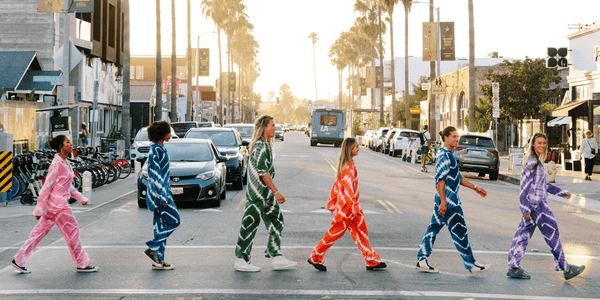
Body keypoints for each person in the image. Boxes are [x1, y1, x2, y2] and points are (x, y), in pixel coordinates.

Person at [11, 135, 98, 274]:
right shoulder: (57, 164)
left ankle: (18, 260)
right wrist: (39, 209)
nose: (71, 144)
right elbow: (47, 186)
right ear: (60, 146)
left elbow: (67, 186)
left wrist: (81, 198)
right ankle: (82, 264)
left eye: (70, 141)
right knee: (73, 231)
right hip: (59, 206)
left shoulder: (65, 162)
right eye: (67, 142)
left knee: (38, 233)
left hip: (53, 207)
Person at [507, 132, 585, 280]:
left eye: (544, 143)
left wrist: (562, 192)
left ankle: (513, 267)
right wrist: (525, 209)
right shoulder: (532, 162)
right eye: (539, 143)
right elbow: (523, 187)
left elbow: (544, 185)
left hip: (534, 206)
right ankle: (566, 269)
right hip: (538, 207)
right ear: (533, 145)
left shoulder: (537, 162)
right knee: (552, 234)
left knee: (522, 235)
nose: (542, 145)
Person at [416, 126, 491, 274]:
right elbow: (440, 180)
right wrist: (444, 201)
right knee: (460, 231)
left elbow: (458, 178)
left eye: (457, 136)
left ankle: (422, 259)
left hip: (445, 200)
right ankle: (471, 264)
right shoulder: (444, 155)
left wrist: (475, 187)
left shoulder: (448, 155)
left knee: (435, 228)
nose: (457, 139)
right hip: (449, 202)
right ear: (445, 138)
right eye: (454, 136)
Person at [308, 137, 386, 272]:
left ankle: (371, 260)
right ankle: (315, 256)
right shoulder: (350, 166)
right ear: (350, 149)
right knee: (335, 234)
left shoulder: (345, 164)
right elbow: (348, 188)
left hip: (346, 207)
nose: (359, 148)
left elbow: (337, 186)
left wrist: (332, 203)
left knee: (360, 233)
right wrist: (354, 206)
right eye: (356, 146)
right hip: (348, 209)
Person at [234, 115, 297, 272]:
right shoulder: (260, 147)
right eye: (272, 125)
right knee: (249, 225)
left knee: (277, 221)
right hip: (258, 196)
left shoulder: (264, 145)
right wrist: (276, 191)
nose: (275, 128)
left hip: (265, 195)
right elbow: (263, 173)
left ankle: (276, 256)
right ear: (264, 128)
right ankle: (241, 259)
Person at [143, 120, 180, 270]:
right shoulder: (156, 150)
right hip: (159, 195)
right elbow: (156, 176)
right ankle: (153, 247)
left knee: (160, 226)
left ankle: (158, 260)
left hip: (162, 193)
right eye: (168, 132)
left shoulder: (160, 149)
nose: (170, 135)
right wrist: (163, 197)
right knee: (174, 221)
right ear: (162, 134)